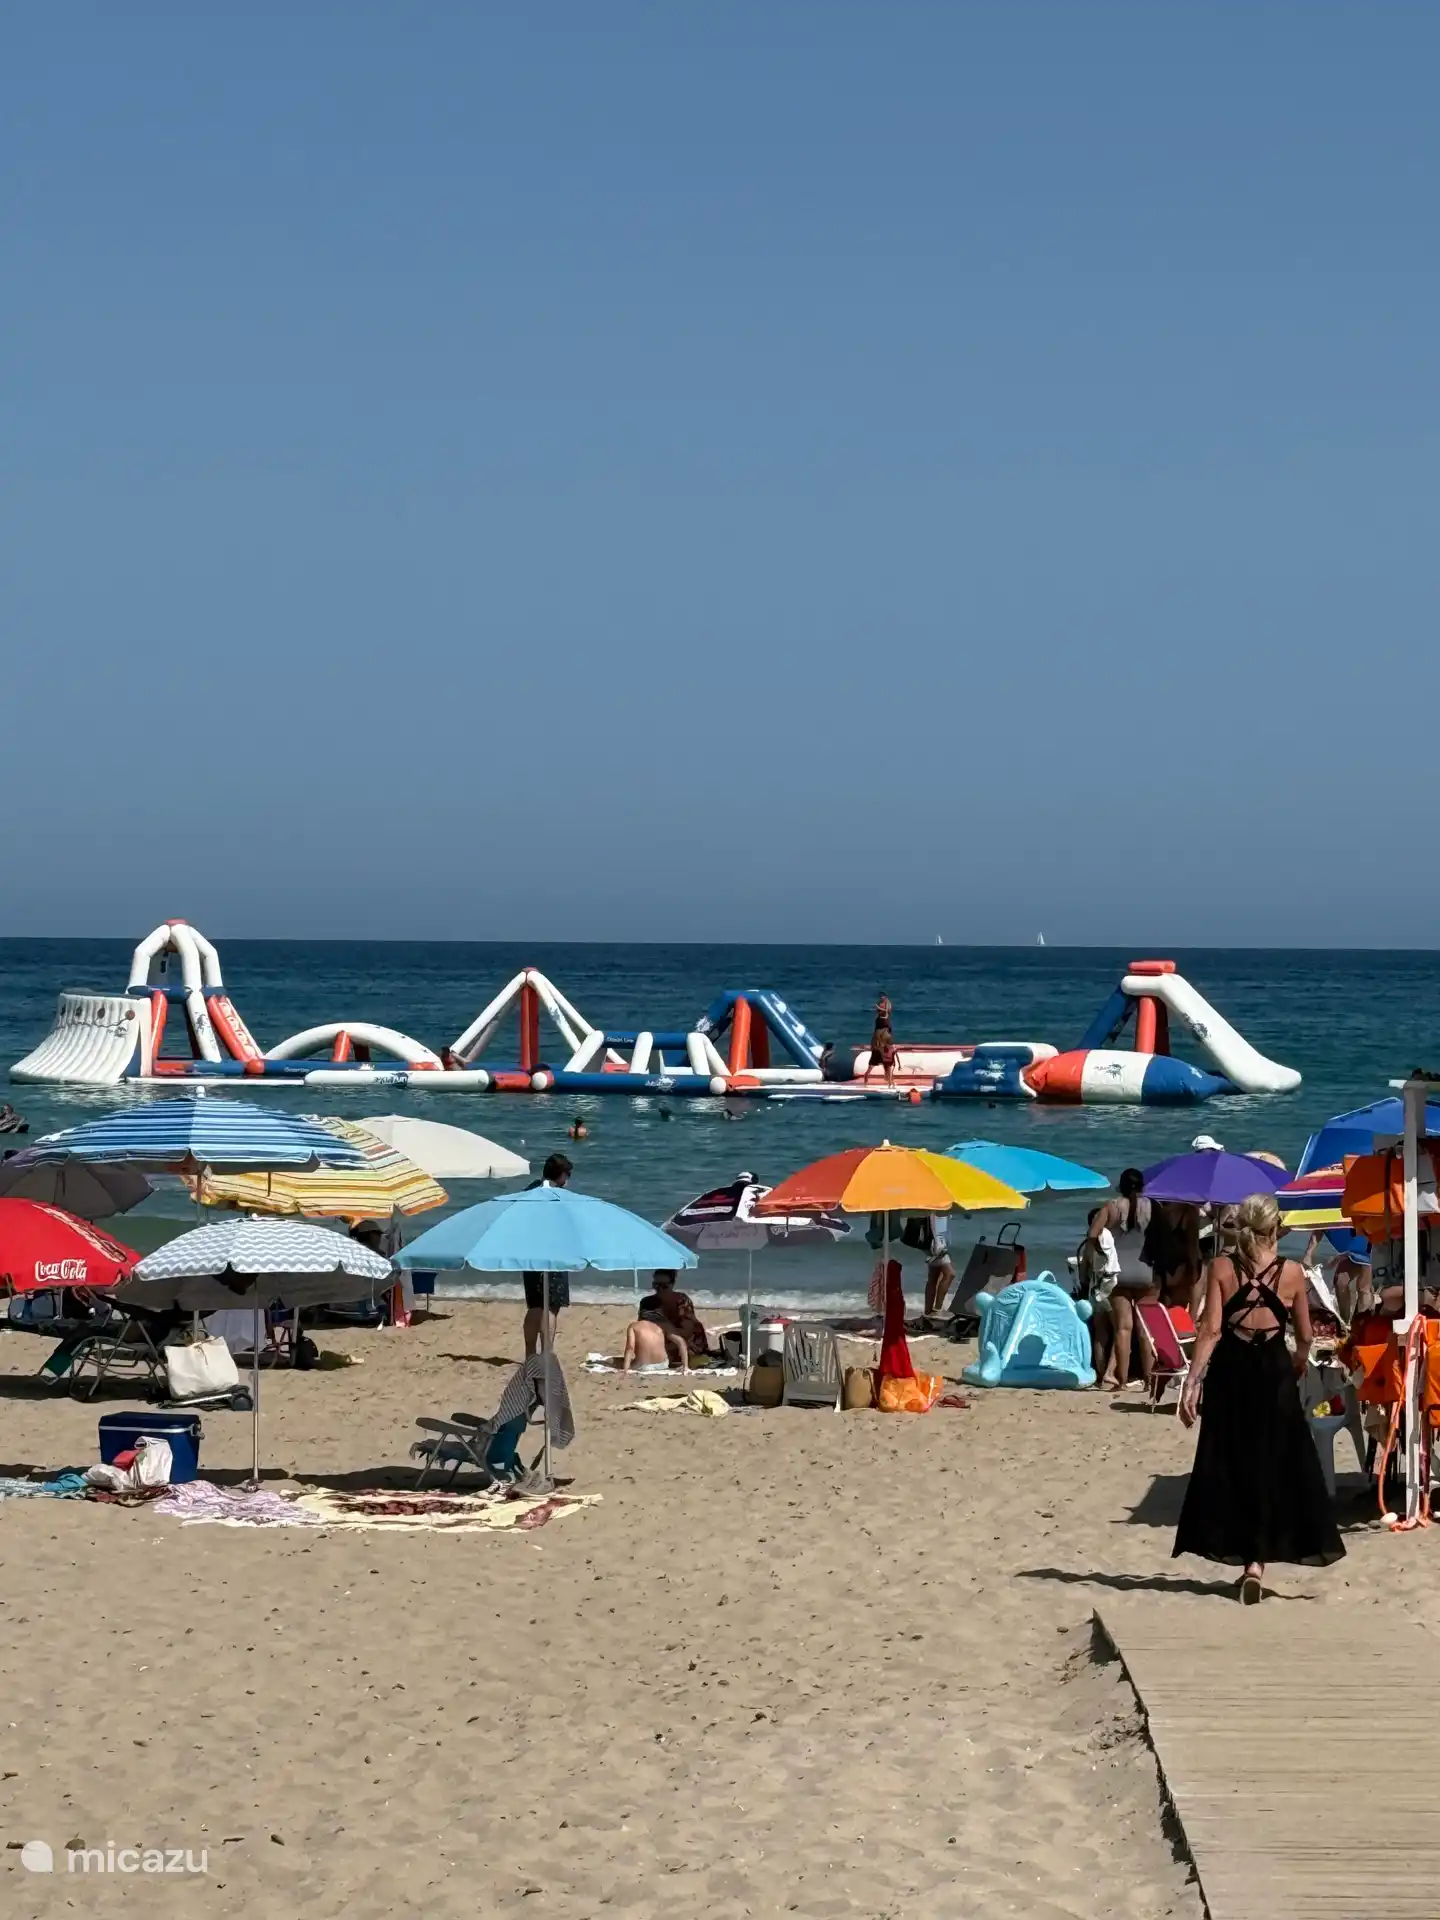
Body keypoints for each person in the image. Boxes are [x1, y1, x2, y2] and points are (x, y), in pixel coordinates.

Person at [1174, 1192, 1344, 1601]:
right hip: (1274, 1370)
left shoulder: (1221, 1267)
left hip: (1231, 1369)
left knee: (1233, 1460)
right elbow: (1305, 1336)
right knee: (1274, 1462)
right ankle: (1256, 1563)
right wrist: (1298, 1363)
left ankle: (1246, 1555)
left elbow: (1211, 1330)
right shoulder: (1292, 1272)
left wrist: (1192, 1381)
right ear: (1276, 1228)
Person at [1087, 1169, 1154, 1390]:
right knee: (1145, 1330)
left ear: (1121, 1186)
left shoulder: (1111, 1207)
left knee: (1123, 1329)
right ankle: (1149, 1379)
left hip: (1119, 1273)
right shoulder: (1152, 1207)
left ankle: (1122, 1381)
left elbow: (1092, 1235)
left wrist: (1104, 1254)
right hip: (1146, 1273)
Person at [522, 1152, 574, 1357]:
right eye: (567, 1175)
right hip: (552, 1255)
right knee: (550, 1307)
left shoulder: (530, 1190)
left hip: (530, 1255)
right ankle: (546, 1353)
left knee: (535, 1306)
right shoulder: (557, 1195)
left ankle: (529, 1354)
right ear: (561, 1175)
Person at [1079, 1205, 1121, 1387]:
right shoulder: (1107, 1237)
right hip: (1109, 1288)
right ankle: (1111, 1373)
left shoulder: (1088, 1245)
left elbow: (1083, 1274)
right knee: (1120, 1330)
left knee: (1100, 1334)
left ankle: (1100, 1373)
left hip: (1094, 1289)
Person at [638, 1270, 709, 1356]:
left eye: (664, 1286)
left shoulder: (682, 1300)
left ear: (672, 1284)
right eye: (656, 1285)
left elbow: (686, 1332)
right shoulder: (647, 1303)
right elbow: (642, 1329)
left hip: (688, 1343)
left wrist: (664, 1332)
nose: (660, 1289)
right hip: (662, 1342)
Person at [622, 1316, 688, 1371]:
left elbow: (630, 1347)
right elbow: (681, 1342)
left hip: (644, 1366)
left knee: (622, 1363)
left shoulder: (634, 1326)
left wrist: (625, 1369)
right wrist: (685, 1366)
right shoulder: (662, 1325)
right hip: (663, 1364)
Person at [866, 995, 897, 1084]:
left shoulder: (882, 1018)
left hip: (882, 1040)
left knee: (885, 1062)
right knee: (884, 1062)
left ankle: (889, 1080)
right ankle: (889, 1080)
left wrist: (885, 1001)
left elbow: (887, 1010)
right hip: (881, 1041)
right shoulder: (881, 1019)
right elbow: (886, 1010)